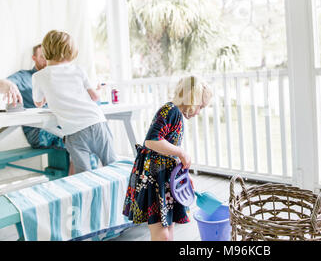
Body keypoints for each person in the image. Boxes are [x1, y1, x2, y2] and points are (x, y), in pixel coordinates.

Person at [122, 75, 213, 241]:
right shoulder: (172, 111)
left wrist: (183, 174)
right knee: (162, 234)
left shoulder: (175, 113)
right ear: (192, 99)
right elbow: (151, 141)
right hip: (154, 178)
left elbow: (167, 150)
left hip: (164, 178)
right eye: (200, 106)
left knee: (168, 228)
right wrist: (182, 152)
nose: (199, 112)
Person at [32, 30, 116, 173]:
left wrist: (49, 94)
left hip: (74, 132)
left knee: (84, 174)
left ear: (45, 51)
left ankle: (90, 195)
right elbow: (95, 97)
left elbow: (38, 103)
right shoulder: (78, 70)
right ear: (71, 51)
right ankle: (124, 193)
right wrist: (98, 90)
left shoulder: (39, 76)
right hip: (96, 122)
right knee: (112, 165)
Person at [4, 44, 65, 150]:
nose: (46, 59)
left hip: (59, 125)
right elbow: (3, 83)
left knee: (84, 136)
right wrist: (9, 85)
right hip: (37, 133)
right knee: (78, 141)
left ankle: (79, 165)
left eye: (48, 56)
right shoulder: (24, 76)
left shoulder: (57, 77)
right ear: (34, 58)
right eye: (42, 56)